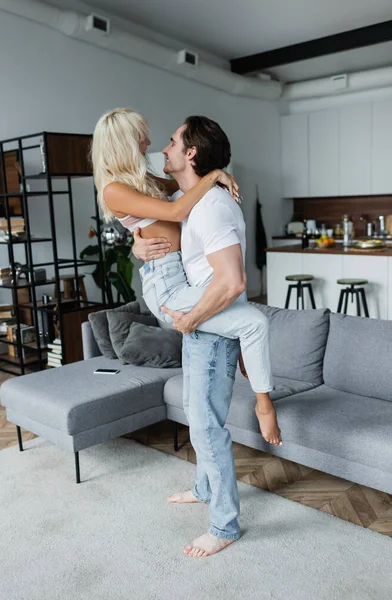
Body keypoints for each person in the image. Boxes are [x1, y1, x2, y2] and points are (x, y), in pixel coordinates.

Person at [92, 109, 282, 557]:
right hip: (168, 284)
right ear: (124, 142)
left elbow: (181, 195)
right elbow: (177, 208)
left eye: (165, 141)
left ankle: (216, 509)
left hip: (182, 284)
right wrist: (215, 172)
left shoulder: (151, 181)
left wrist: (134, 240)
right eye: (142, 138)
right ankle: (219, 505)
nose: (153, 144)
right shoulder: (119, 186)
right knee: (207, 412)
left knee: (203, 421)